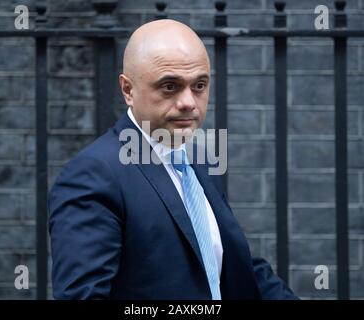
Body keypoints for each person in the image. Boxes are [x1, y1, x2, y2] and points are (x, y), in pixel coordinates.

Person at [48, 19, 298, 300]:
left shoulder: (198, 159)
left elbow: (231, 265)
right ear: (128, 90)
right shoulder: (93, 175)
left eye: (199, 85)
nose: (188, 102)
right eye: (170, 86)